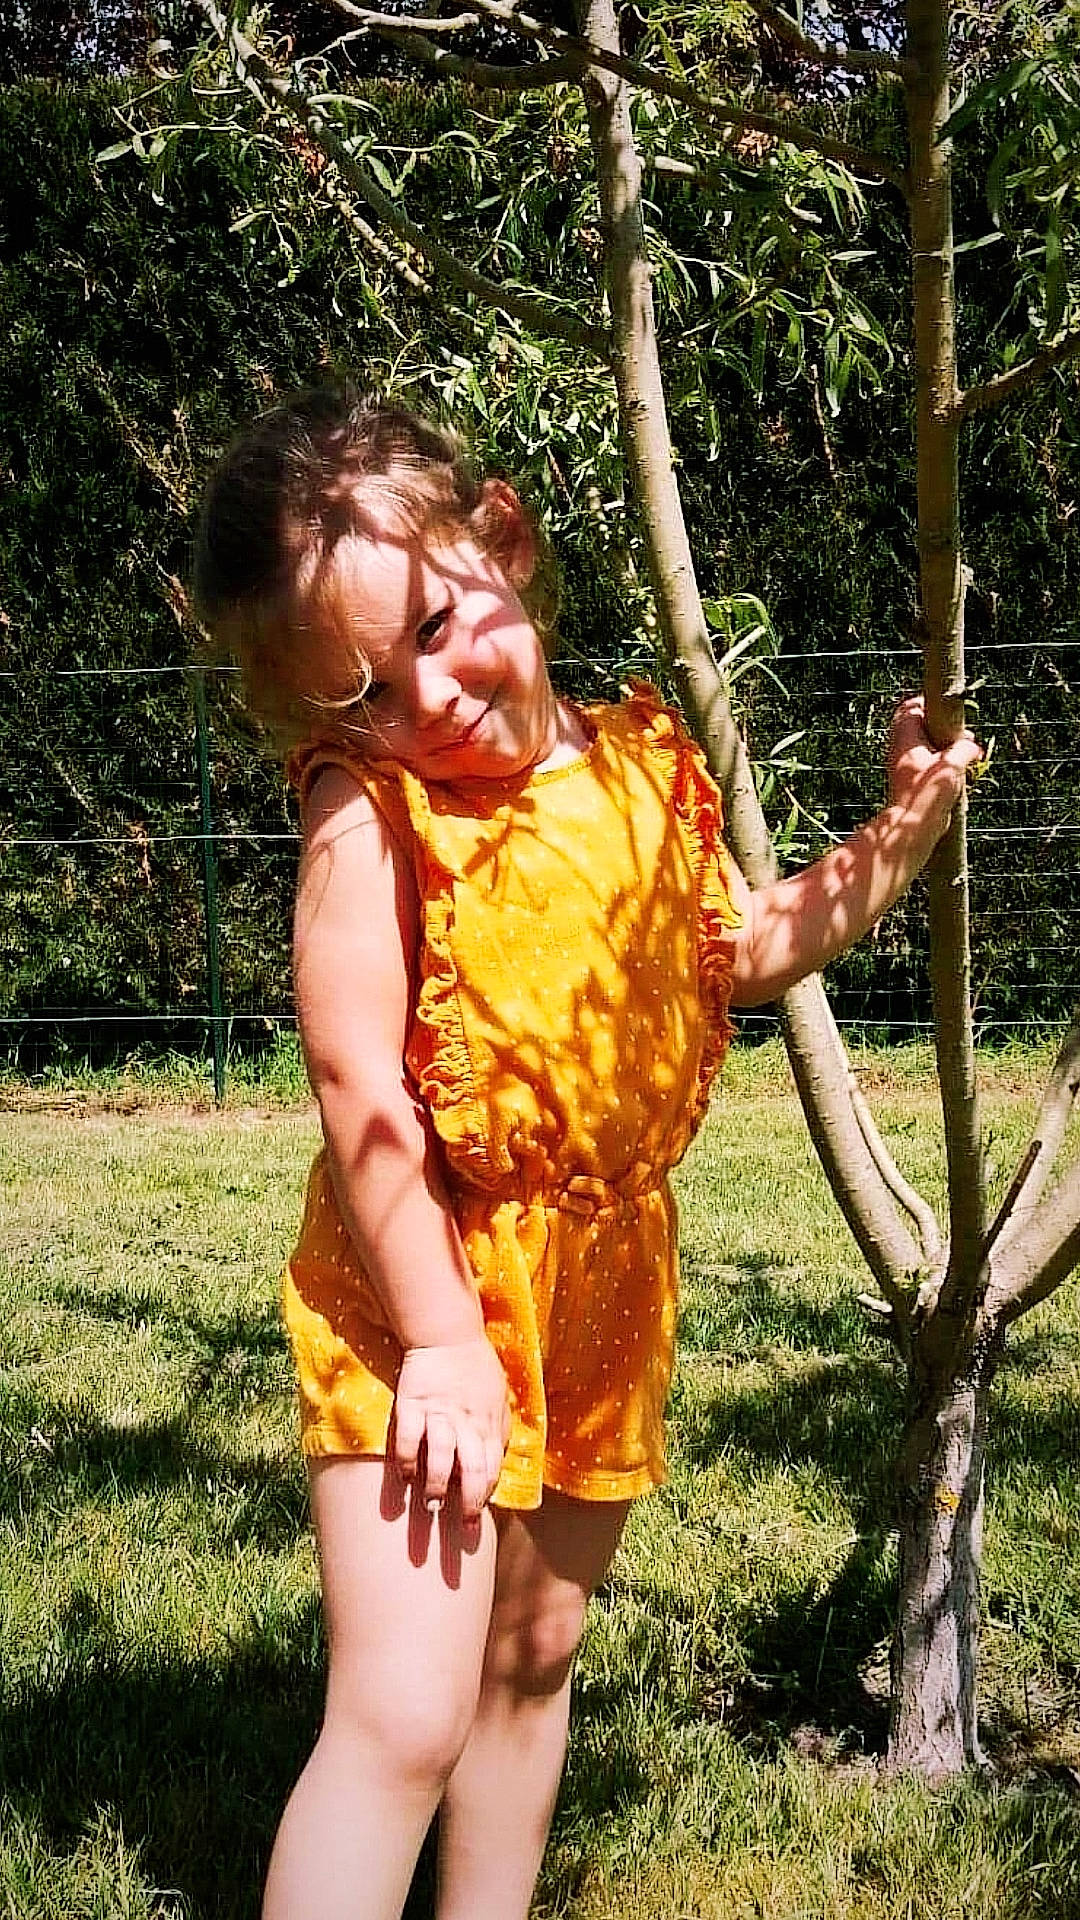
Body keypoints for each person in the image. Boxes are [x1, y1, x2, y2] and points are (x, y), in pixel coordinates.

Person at [192, 384, 980, 1920]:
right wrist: (441, 1341)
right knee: (406, 1711)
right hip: (424, 1290)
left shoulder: (640, 765)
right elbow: (358, 1080)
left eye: (429, 624)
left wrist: (902, 832)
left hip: (606, 1281)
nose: (420, 696)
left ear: (503, 539)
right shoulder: (373, 819)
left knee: (527, 1670)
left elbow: (743, 946)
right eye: (358, 692)